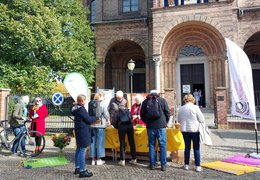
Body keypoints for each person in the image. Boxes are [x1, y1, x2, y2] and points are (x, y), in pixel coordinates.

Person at [140, 90, 170, 171]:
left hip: (150, 126)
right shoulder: (162, 100)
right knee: (162, 145)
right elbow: (167, 112)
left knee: (151, 145)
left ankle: (152, 164)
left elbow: (142, 114)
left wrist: (147, 122)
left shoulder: (145, 101)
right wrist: (165, 121)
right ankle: (163, 165)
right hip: (161, 125)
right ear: (158, 94)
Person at [72, 94, 100, 178]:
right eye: (85, 100)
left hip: (79, 131)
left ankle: (77, 168)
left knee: (78, 149)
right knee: (82, 151)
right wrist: (97, 117)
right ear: (82, 101)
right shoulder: (81, 109)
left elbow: (86, 117)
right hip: (83, 131)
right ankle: (82, 171)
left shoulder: (76, 108)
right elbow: (88, 119)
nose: (85, 101)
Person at [176, 93, 205, 172]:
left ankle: (186, 165)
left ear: (185, 100)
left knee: (187, 147)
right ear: (192, 99)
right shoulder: (195, 107)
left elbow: (178, 120)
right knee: (196, 148)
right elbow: (202, 119)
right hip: (194, 130)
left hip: (185, 130)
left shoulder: (181, 108)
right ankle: (198, 166)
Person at [108, 90, 137, 166]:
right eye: (118, 98)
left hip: (122, 126)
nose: (119, 99)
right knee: (132, 142)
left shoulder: (119, 110)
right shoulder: (126, 110)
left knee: (122, 142)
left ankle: (122, 160)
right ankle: (134, 159)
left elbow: (115, 120)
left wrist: (115, 126)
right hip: (129, 125)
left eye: (120, 98)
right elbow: (130, 116)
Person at [88, 92, 110, 166]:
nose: (104, 98)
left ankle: (93, 159)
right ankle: (99, 159)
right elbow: (106, 114)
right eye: (104, 96)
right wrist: (108, 120)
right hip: (100, 125)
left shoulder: (90, 103)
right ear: (101, 96)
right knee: (100, 143)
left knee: (92, 142)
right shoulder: (102, 103)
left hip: (92, 125)